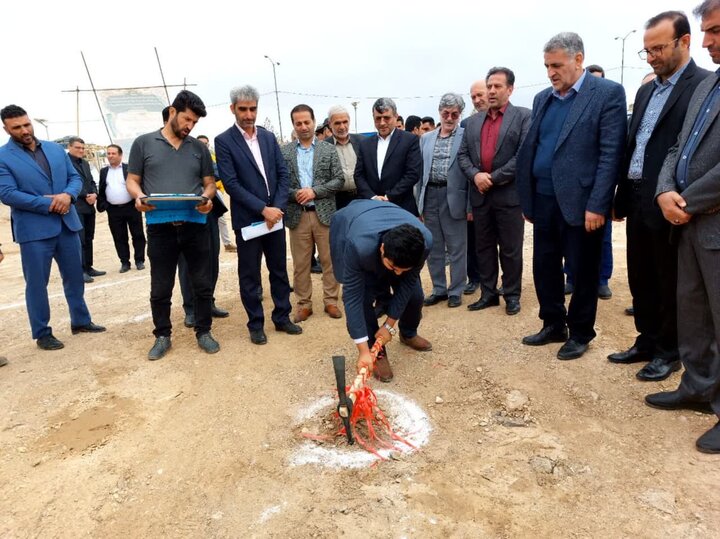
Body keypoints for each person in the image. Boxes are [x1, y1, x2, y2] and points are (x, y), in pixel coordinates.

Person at [611, 10, 710, 382]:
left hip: (670, 199)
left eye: (658, 48)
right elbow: (634, 143)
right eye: (646, 51)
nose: (651, 56)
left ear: (685, 42)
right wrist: (621, 194)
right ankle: (646, 339)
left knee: (669, 277)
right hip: (637, 195)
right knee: (639, 274)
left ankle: (669, 350)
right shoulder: (647, 89)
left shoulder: (702, 86)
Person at [516, 32, 627, 360]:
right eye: (547, 65)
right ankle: (553, 323)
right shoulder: (543, 99)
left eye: (557, 65)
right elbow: (536, 146)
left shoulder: (607, 94)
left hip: (582, 203)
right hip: (544, 198)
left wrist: (598, 204)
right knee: (544, 266)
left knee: (583, 270)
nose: (551, 72)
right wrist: (529, 196)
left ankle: (580, 332)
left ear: (579, 59)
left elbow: (610, 153)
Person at [645, 0, 720, 453]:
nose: (708, 40)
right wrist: (663, 190)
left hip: (707, 216)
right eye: (706, 31)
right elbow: (677, 148)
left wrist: (687, 200)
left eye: (715, 31)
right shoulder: (708, 86)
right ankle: (696, 386)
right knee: (693, 311)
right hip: (691, 224)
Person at [0, 104, 106, 349]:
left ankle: (80, 321)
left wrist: (67, 196)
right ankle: (42, 332)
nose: (25, 130)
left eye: (27, 124)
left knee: (75, 278)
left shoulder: (54, 149)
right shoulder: (3, 157)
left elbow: (75, 178)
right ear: (6, 129)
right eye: (17, 127)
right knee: (37, 283)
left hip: (67, 224)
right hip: (34, 231)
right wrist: (47, 204)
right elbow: (7, 194)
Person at [125, 90, 219, 360]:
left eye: (195, 123)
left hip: (195, 224)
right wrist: (138, 197)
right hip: (159, 227)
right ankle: (162, 335)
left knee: (202, 284)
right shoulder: (143, 143)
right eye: (187, 119)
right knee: (161, 287)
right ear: (171, 112)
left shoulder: (199, 149)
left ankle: (204, 331)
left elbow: (209, 185)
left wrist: (207, 200)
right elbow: (133, 180)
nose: (189, 126)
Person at [215, 85, 302, 345]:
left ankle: (282, 317)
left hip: (274, 218)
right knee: (250, 275)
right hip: (249, 220)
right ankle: (256, 323)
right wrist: (263, 209)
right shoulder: (224, 141)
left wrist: (276, 209)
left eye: (252, 109)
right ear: (233, 109)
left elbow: (282, 174)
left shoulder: (267, 137)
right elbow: (231, 184)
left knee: (278, 271)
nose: (249, 114)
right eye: (243, 109)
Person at [330, 199, 433, 382]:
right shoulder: (358, 247)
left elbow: (407, 285)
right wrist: (362, 351)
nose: (398, 274)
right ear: (383, 249)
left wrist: (388, 326)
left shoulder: (424, 243)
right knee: (363, 299)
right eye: (393, 268)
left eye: (403, 270)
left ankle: (408, 333)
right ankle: (375, 352)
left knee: (415, 296)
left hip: (383, 220)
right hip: (351, 225)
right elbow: (352, 299)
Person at [458, 67, 531, 316]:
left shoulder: (522, 117)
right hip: (480, 195)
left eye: (497, 86)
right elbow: (463, 155)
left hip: (508, 195)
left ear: (510, 89)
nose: (491, 91)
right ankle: (488, 293)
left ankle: (511, 294)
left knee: (510, 249)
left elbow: (523, 156)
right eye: (489, 86)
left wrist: (492, 178)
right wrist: (476, 175)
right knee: (484, 247)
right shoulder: (472, 122)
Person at [281, 104, 344, 323]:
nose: (303, 126)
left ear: (314, 122)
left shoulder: (328, 149)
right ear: (294, 125)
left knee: (329, 261)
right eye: (298, 123)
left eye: (307, 122)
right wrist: (295, 193)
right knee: (301, 264)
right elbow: (280, 184)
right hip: (298, 215)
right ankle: (304, 304)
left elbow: (339, 180)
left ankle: (331, 301)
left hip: (324, 214)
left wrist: (314, 192)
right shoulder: (285, 152)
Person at [564, 64, 615, 299]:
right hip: (574, 188)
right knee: (571, 240)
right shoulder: (574, 106)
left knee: (601, 239)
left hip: (599, 187)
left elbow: (610, 153)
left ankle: (602, 279)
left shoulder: (608, 103)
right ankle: (572, 277)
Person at [416, 93, 468, 309]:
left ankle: (456, 290)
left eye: (454, 114)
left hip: (454, 197)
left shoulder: (466, 136)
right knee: (434, 246)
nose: (449, 117)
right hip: (430, 196)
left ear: (459, 114)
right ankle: (439, 289)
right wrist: (419, 201)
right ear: (440, 112)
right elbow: (419, 172)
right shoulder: (426, 138)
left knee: (457, 246)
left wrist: (470, 205)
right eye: (446, 113)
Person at [354, 97, 423, 216]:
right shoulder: (365, 144)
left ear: (396, 117)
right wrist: (373, 197)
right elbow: (358, 175)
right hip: (372, 208)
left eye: (386, 118)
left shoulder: (409, 140)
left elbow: (413, 173)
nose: (382, 123)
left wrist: (389, 196)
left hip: (402, 208)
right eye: (378, 118)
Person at [97, 144, 146, 273]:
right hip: (113, 210)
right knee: (119, 237)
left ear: (120, 155)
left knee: (138, 234)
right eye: (108, 153)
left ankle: (139, 260)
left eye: (113, 153)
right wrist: (105, 206)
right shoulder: (103, 171)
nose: (110, 156)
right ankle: (125, 262)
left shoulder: (128, 169)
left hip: (131, 207)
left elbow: (137, 184)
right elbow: (101, 189)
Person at [462, 79, 490, 295]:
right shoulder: (467, 125)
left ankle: (502, 284)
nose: (478, 100)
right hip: (474, 190)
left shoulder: (513, 120)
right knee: (474, 240)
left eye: (480, 95)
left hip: (503, 190)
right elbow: (463, 158)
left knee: (505, 244)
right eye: (473, 97)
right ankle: (475, 278)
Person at [67, 136, 105, 283]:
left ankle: (89, 267)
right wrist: (85, 195)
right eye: (78, 147)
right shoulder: (65, 163)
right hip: (77, 206)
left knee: (89, 238)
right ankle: (80, 270)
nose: (81, 150)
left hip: (89, 207)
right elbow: (69, 183)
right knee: (80, 240)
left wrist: (95, 194)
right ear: (70, 147)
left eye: (83, 148)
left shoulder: (85, 163)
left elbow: (91, 181)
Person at [197, 134, 236, 253]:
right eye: (201, 143)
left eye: (206, 143)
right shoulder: (191, 157)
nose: (204, 146)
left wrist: (202, 178)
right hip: (196, 194)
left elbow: (219, 174)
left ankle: (227, 243)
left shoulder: (211, 157)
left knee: (221, 219)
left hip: (212, 192)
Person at [325, 105, 363, 210]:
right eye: (337, 123)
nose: (342, 127)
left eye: (345, 122)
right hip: (337, 200)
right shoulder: (323, 147)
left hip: (362, 197)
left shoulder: (362, 142)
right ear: (330, 124)